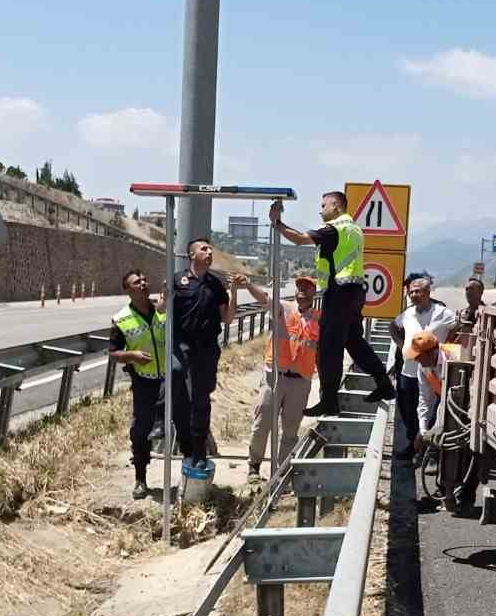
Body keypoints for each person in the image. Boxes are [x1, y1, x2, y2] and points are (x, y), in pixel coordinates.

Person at [270, 192, 396, 416]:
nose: (320, 210)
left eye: (323, 205)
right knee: (354, 342)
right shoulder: (354, 229)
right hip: (355, 292)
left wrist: (277, 223)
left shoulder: (334, 229)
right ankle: (384, 383)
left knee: (329, 347)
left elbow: (299, 239)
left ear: (336, 206)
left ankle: (329, 400)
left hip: (338, 292)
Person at [169, 238, 263, 469]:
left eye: (211, 249)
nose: (209, 252)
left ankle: (199, 451)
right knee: (176, 378)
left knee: (201, 400)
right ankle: (175, 434)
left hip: (207, 349)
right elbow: (164, 309)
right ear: (191, 255)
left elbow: (228, 318)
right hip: (181, 345)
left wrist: (233, 293)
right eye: (204, 249)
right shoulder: (177, 280)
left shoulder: (216, 284)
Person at [243, 271, 322, 483]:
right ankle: (253, 467)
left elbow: (321, 351)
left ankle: (280, 474)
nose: (302, 291)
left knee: (290, 430)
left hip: (301, 381)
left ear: (314, 292)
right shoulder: (283, 308)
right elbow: (263, 299)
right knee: (262, 424)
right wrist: (249, 284)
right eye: (299, 287)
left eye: (307, 288)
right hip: (274, 377)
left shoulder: (319, 319)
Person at [108, 270, 167, 501]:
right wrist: (132, 355)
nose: (143, 284)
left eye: (144, 280)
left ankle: (191, 474)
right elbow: (113, 353)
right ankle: (141, 478)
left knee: (185, 422)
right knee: (141, 430)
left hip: (170, 379)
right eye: (136, 282)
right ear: (127, 290)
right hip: (144, 382)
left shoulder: (161, 310)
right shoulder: (121, 319)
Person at [394, 274, 456, 456]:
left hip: (442, 376)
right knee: (414, 411)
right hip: (414, 373)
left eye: (417, 291)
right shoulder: (407, 314)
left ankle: (434, 453)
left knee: (441, 413)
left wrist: (447, 344)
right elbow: (424, 403)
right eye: (411, 292)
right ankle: (418, 445)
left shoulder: (442, 313)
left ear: (428, 293)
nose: (413, 295)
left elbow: (460, 326)